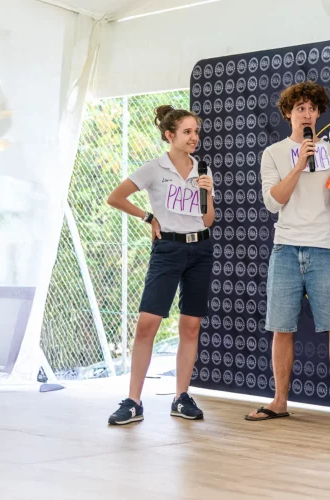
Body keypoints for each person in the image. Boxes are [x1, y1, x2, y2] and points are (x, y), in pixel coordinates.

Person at [246, 81, 330, 426]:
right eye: (300, 108)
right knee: (281, 328)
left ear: (319, 114)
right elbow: (273, 202)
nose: (306, 114)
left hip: (324, 248)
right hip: (286, 249)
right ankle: (279, 401)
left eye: (312, 108)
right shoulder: (273, 153)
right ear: (288, 113)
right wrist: (299, 164)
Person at [105, 105, 214, 425]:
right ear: (170, 135)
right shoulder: (154, 168)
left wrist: (207, 194)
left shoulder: (203, 169)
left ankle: (181, 397)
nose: (194, 137)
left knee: (190, 326)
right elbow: (115, 197)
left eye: (196, 132)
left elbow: (208, 220)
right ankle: (133, 401)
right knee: (147, 324)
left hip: (201, 250)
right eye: (187, 132)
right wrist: (148, 217)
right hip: (167, 250)